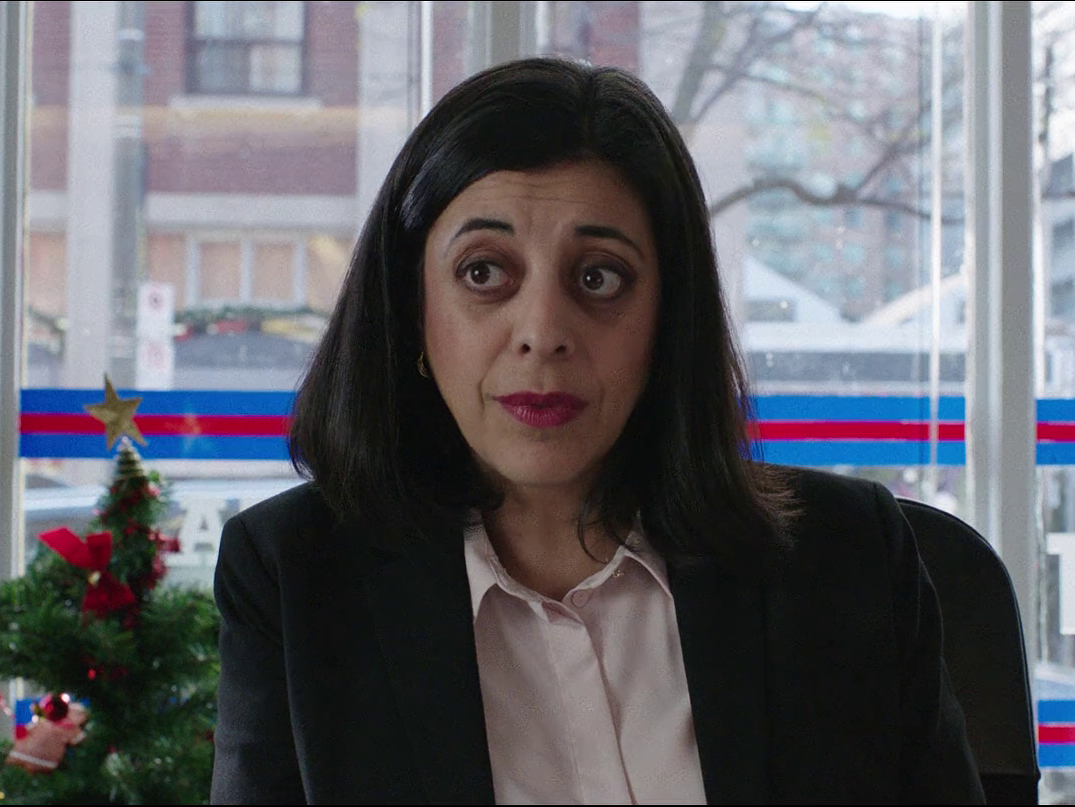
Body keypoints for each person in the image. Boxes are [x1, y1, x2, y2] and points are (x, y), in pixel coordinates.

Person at [212, 58, 984, 805]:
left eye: (599, 277)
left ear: (667, 319)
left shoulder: (849, 559)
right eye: (484, 272)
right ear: (412, 310)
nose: (543, 333)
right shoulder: (294, 578)